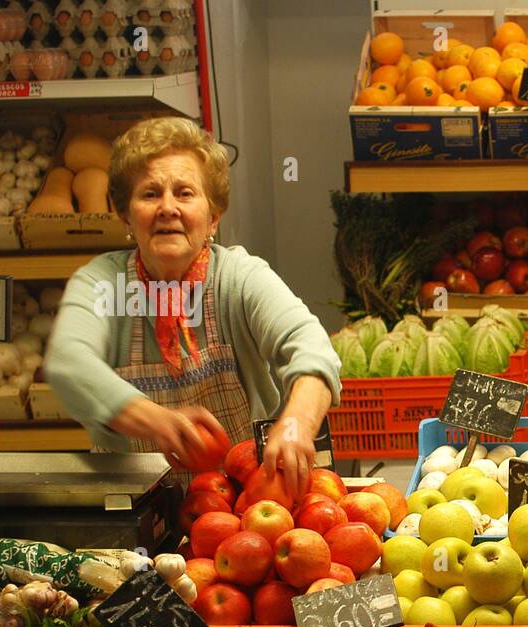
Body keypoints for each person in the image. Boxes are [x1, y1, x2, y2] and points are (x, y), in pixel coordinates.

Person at [45, 116, 339, 498]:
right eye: (150, 194)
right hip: (133, 510)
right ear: (125, 215)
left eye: (184, 193)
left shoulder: (238, 277)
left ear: (213, 216)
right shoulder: (103, 283)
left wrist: (297, 422)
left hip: (244, 509)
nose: (168, 207)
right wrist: (155, 421)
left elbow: (311, 346)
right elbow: (68, 362)